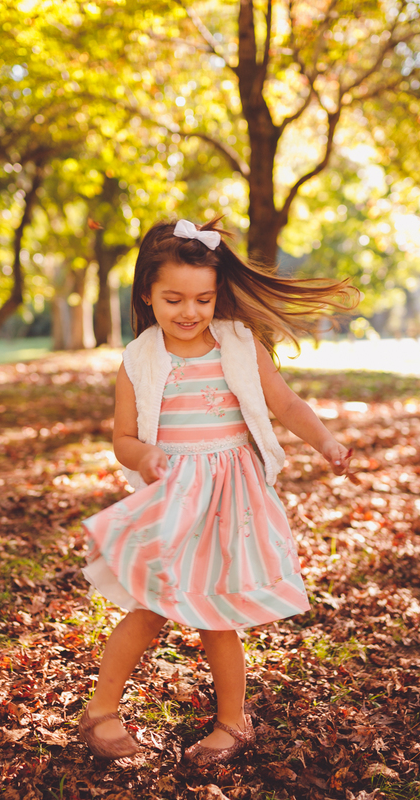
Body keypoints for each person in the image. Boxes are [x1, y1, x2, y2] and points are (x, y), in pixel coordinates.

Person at [77, 217, 359, 766]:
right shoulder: (139, 358)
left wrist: (325, 442)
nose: (189, 312)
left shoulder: (236, 343)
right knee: (148, 607)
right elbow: (123, 438)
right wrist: (146, 456)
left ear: (216, 297)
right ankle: (100, 710)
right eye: (174, 298)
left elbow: (286, 404)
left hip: (231, 500)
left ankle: (233, 722)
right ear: (147, 296)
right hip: (174, 499)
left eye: (203, 299)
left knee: (217, 614)